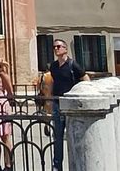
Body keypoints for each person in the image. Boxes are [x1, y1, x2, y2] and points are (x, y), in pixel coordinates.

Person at [48, 39, 86, 170]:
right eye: (54, 47)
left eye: (58, 46)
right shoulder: (53, 66)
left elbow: (85, 78)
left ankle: (76, 164)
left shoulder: (73, 64)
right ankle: (57, 166)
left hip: (70, 105)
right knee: (57, 136)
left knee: (73, 136)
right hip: (57, 104)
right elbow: (52, 81)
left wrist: (84, 95)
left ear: (65, 48)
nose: (56, 49)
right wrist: (49, 99)